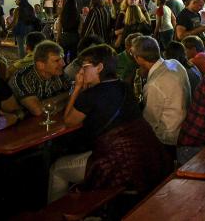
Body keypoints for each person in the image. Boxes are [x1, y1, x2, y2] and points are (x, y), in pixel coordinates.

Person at [50, 44, 171, 203]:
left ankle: (55, 214)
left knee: (57, 169)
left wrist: (78, 86)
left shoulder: (91, 95)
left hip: (116, 164)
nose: (80, 72)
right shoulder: (124, 87)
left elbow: (69, 121)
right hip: (147, 155)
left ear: (99, 67)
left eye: (84, 67)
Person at [131, 36, 191, 149]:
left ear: (139, 59)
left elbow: (150, 121)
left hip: (169, 138)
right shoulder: (175, 64)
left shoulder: (154, 84)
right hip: (185, 125)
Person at [9, 40, 70, 116]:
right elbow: (38, 111)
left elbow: (74, 95)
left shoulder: (58, 73)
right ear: (40, 65)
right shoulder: (23, 77)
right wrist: (66, 96)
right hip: (22, 124)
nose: (63, 63)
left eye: (62, 59)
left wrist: (49, 104)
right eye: (57, 60)